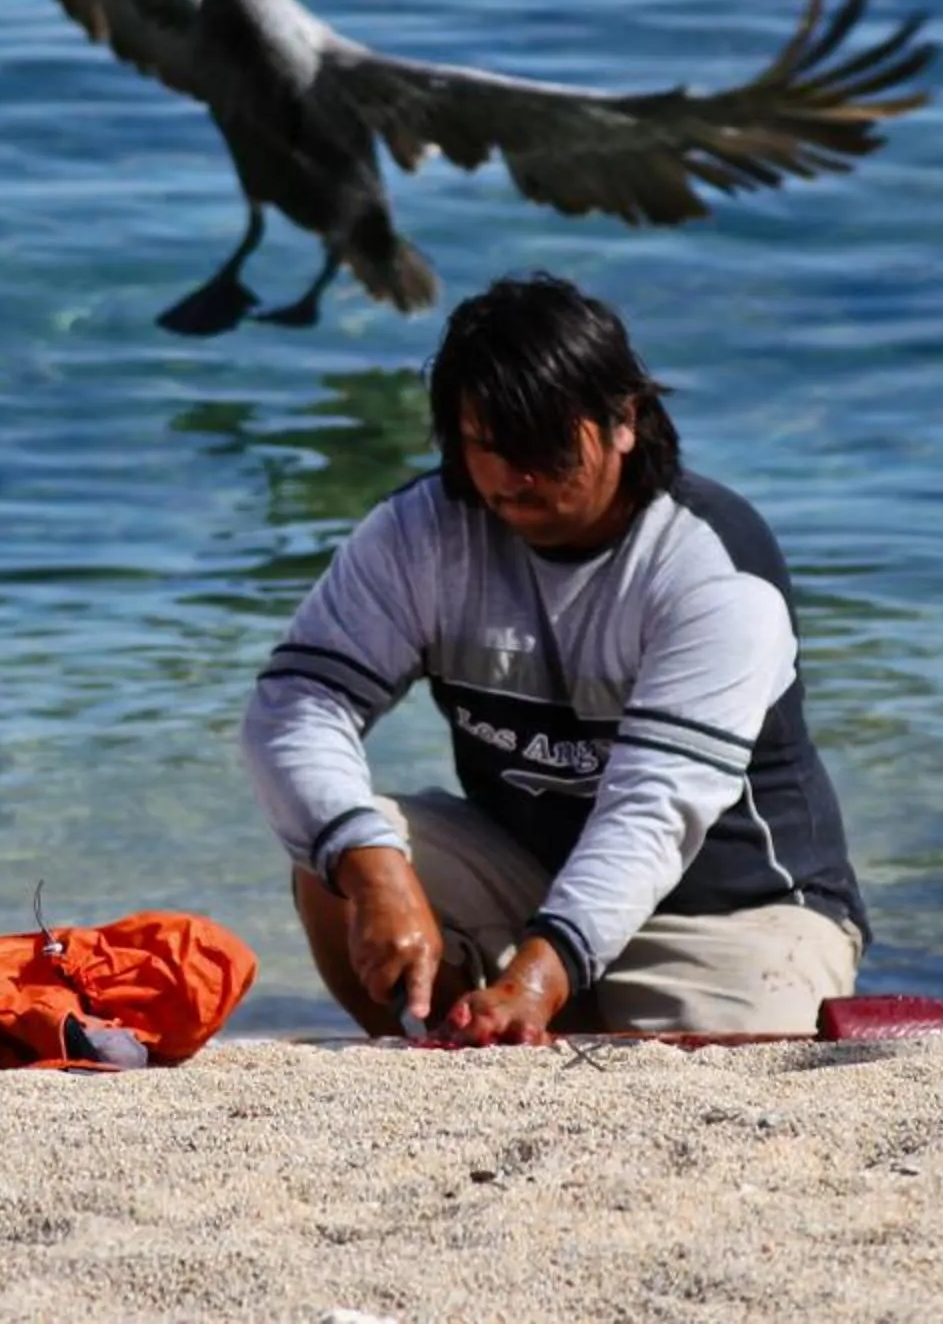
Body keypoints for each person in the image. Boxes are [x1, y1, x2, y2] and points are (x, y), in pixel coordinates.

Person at [239, 272, 869, 1043]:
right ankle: (428, 1053)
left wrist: (541, 974)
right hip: (524, 876)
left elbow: (652, 809)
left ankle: (556, 1008)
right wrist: (371, 866)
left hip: (728, 911)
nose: (513, 478)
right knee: (332, 852)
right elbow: (296, 703)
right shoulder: (419, 534)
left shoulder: (712, 567)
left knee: (717, 1073)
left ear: (624, 421)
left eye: (542, 445)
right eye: (486, 447)